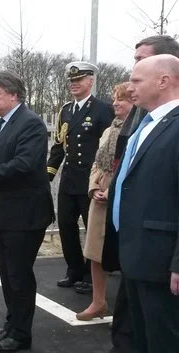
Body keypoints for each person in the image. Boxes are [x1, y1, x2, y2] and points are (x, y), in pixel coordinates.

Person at [102, 34, 179, 353]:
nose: (129, 85)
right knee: (140, 341)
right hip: (135, 254)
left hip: (160, 260)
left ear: (163, 81)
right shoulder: (145, 122)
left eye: (136, 79)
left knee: (164, 343)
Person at [0, 71, 55, 353]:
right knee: (8, 275)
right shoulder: (0, 124)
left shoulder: (30, 124)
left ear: (13, 95)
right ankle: (11, 326)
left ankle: (21, 334)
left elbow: (26, 164)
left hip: (25, 214)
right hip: (4, 213)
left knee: (18, 275)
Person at [47, 61, 114, 293]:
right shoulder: (65, 110)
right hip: (69, 178)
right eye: (71, 81)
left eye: (79, 80)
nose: (74, 85)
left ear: (90, 81)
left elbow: (109, 147)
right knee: (65, 225)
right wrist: (49, 173)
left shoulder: (103, 109)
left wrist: (104, 179)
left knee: (91, 228)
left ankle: (89, 274)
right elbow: (59, 144)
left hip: (90, 180)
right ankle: (73, 269)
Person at [75, 82, 133, 321]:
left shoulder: (137, 129)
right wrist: (94, 187)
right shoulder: (109, 130)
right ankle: (98, 302)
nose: (116, 103)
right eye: (114, 98)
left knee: (124, 256)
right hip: (101, 193)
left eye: (122, 99)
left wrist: (114, 191)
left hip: (123, 194)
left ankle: (126, 312)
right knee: (95, 252)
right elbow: (98, 162)